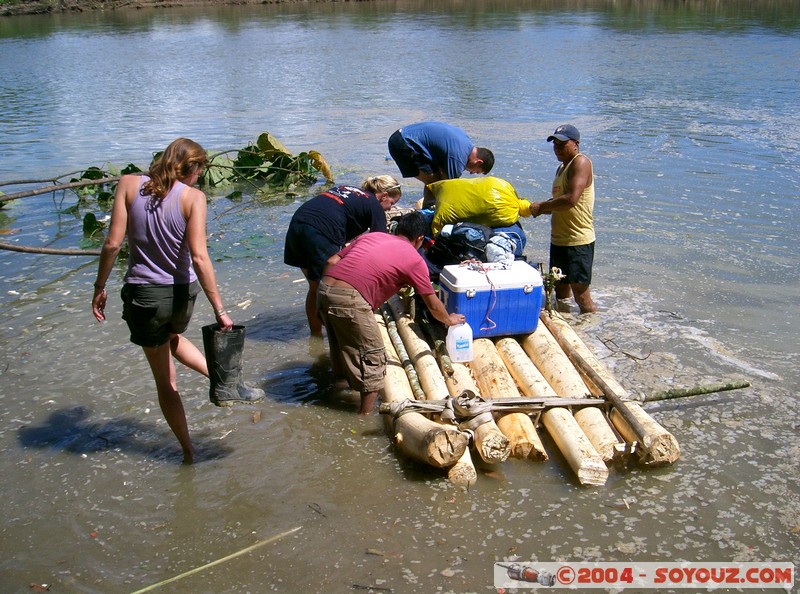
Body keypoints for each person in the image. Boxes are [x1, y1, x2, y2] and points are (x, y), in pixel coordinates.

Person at [91, 138, 252, 464]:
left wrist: (99, 286)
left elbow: (111, 244)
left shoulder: (128, 184)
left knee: (166, 382)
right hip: (183, 296)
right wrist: (220, 310)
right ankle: (225, 381)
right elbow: (199, 256)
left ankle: (188, 452)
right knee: (172, 336)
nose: (198, 179)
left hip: (145, 297)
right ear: (189, 167)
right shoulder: (193, 198)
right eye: (198, 171)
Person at [317, 211, 465, 415]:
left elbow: (331, 262)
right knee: (374, 357)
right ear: (420, 238)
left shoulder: (371, 236)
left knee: (340, 348)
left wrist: (330, 295)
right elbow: (431, 303)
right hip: (350, 299)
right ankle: (363, 418)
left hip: (324, 289)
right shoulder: (414, 259)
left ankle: (334, 394)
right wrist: (449, 319)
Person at [283, 176, 402, 336]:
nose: (389, 210)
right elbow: (379, 246)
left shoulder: (348, 189)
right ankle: (337, 339)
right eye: (391, 204)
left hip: (298, 225)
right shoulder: (374, 205)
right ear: (384, 196)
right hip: (320, 232)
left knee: (315, 288)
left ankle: (316, 337)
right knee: (331, 291)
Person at [531, 124, 598, 313]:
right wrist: (533, 209)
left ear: (576, 144)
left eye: (562, 143)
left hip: (578, 241)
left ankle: (591, 331)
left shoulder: (581, 162)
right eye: (555, 144)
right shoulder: (561, 168)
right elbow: (558, 203)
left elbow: (570, 200)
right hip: (559, 240)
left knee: (581, 297)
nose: (557, 148)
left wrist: (542, 206)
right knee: (559, 291)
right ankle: (569, 324)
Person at [388, 121, 495, 189]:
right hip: (402, 143)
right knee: (436, 184)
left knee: (436, 180)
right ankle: (429, 211)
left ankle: (428, 208)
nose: (471, 173)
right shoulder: (458, 158)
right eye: (476, 171)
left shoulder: (466, 143)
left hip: (405, 135)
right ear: (478, 162)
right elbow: (449, 188)